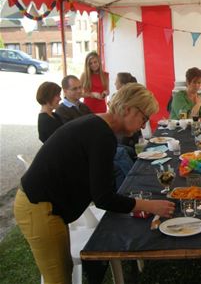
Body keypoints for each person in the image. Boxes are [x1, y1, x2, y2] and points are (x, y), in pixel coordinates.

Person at [14, 83, 175, 284]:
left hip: (45, 203)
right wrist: (149, 205)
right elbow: (103, 197)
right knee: (59, 277)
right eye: (144, 118)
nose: (143, 125)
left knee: (64, 270)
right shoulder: (102, 134)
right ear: (128, 110)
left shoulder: (98, 124)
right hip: (38, 205)